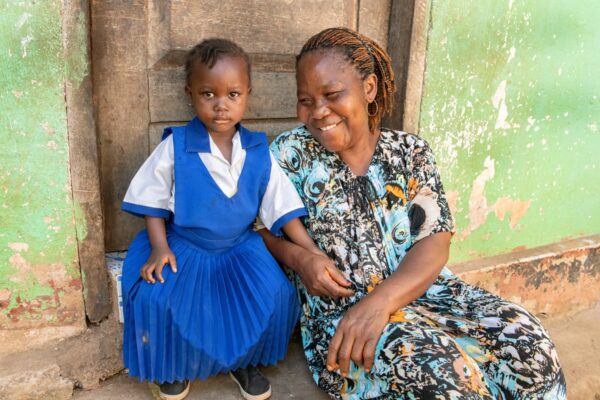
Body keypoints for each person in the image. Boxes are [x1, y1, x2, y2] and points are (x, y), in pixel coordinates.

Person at [258, 27, 566, 399]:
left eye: (332, 94)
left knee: (531, 347)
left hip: (430, 293)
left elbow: (435, 239)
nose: (318, 112)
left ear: (369, 88)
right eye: (305, 100)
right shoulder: (290, 155)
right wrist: (301, 259)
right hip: (346, 314)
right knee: (446, 382)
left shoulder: (410, 152)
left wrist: (382, 300)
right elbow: (260, 228)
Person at [120, 38, 326, 400]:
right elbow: (151, 199)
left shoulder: (259, 150)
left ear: (247, 93)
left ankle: (242, 360)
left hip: (238, 247)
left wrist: (311, 251)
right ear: (190, 94)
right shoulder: (177, 145)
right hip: (185, 245)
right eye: (208, 94)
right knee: (159, 298)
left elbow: (280, 206)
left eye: (232, 94)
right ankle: (171, 366)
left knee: (274, 294)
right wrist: (158, 247)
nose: (221, 106)